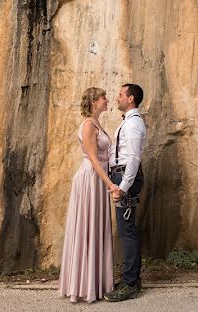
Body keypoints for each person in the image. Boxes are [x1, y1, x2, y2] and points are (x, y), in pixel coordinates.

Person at [58, 87, 121, 303]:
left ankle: (97, 282)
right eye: (104, 97)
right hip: (91, 179)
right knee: (88, 227)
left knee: (96, 227)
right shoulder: (87, 125)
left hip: (98, 178)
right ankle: (84, 285)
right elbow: (93, 158)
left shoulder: (96, 124)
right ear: (94, 102)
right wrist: (110, 184)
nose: (107, 100)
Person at [104, 83, 146, 302]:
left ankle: (130, 284)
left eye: (120, 94)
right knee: (127, 229)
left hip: (125, 178)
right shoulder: (128, 123)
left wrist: (123, 187)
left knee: (126, 230)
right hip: (121, 176)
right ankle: (133, 280)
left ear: (130, 99)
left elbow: (133, 159)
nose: (117, 97)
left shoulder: (134, 125)